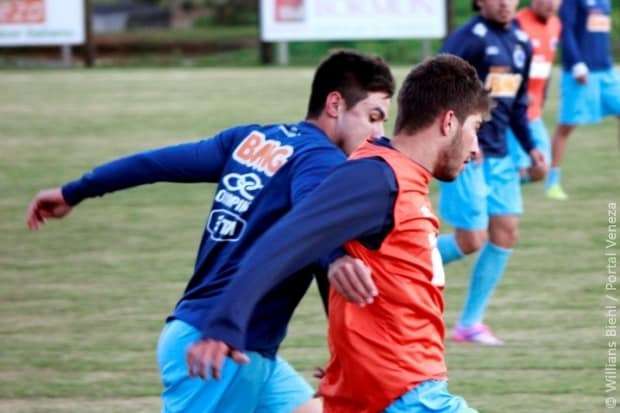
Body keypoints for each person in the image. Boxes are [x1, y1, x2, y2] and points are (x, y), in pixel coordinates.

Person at [25, 50, 395, 413]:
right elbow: (313, 222)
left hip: (247, 354)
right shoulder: (323, 161)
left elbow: (154, 163)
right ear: (334, 104)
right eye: (373, 116)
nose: (379, 134)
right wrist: (335, 258)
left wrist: (74, 191)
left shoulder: (250, 139)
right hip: (219, 349)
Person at [190, 54, 491, 413]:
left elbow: (368, 280)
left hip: (379, 395)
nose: (476, 149)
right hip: (409, 398)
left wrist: (348, 365)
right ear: (449, 121)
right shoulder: (377, 179)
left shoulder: (401, 178)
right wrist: (225, 322)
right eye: (476, 128)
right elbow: (285, 240)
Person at [436, 0, 546, 346]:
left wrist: (531, 148)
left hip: (501, 155)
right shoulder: (468, 39)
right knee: (471, 239)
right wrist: (459, 137)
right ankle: (393, 259)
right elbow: (437, 91)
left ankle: (469, 324)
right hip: (466, 154)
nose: (504, 3)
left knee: (506, 231)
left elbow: (518, 105)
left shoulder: (521, 42)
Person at [545, 0, 619, 200]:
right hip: (580, 72)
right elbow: (566, 29)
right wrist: (577, 63)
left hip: (607, 72)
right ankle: (552, 182)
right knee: (567, 126)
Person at [507, 0, 562, 183]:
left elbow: (545, 69)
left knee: (541, 167)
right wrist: (519, 92)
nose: (551, 4)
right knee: (518, 170)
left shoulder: (556, 25)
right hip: (512, 113)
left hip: (534, 113)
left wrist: (542, 100)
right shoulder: (516, 23)